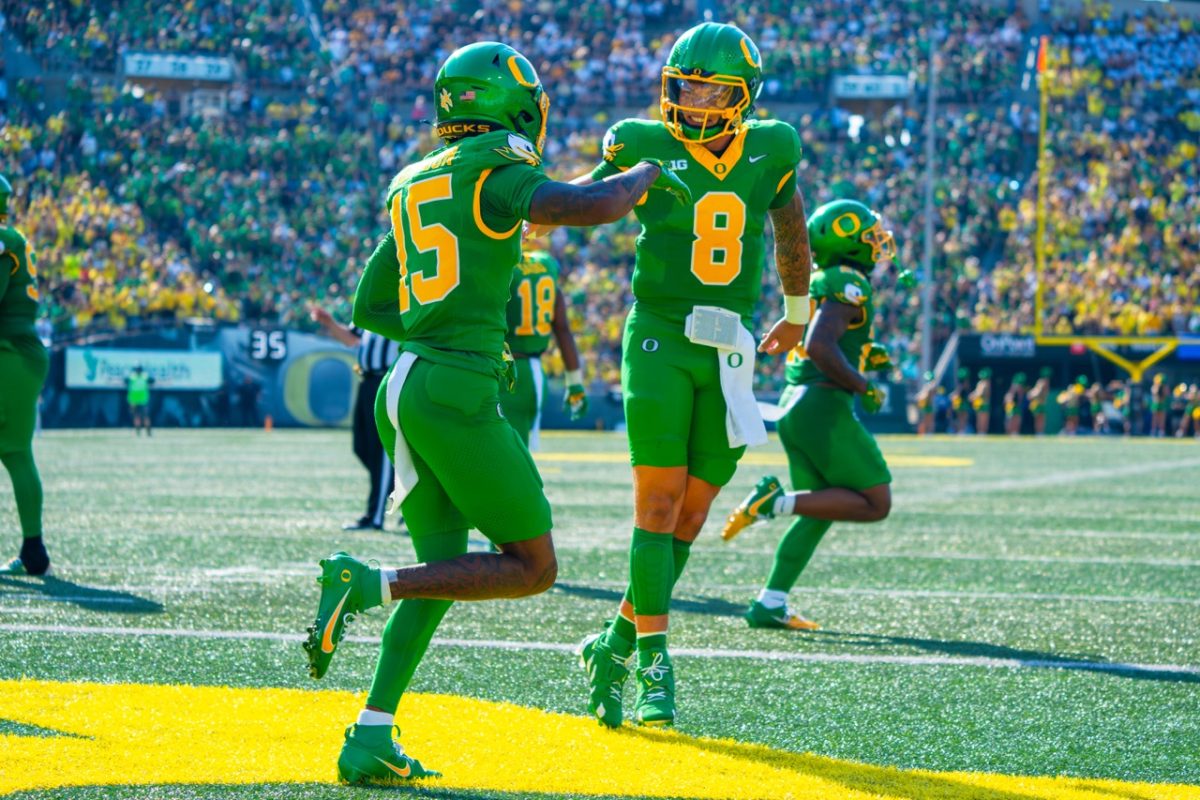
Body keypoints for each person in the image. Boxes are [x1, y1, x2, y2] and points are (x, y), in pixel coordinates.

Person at [301, 41, 691, 784]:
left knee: (445, 571)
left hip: (408, 387)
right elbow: (591, 206)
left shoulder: (413, 179)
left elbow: (368, 303)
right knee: (534, 567)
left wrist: (443, 319)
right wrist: (648, 169)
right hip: (459, 386)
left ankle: (370, 735)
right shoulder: (492, 166)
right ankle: (367, 583)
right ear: (510, 103)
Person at [546, 22, 813, 729]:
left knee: (692, 515)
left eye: (708, 87)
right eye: (683, 83)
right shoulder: (641, 140)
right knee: (658, 505)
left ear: (743, 96)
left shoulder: (773, 145)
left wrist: (795, 308)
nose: (691, 98)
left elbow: (789, 225)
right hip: (661, 334)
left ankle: (613, 643)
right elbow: (585, 201)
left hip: (730, 349)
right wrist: (527, 205)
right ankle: (656, 667)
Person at [719, 199, 896, 631]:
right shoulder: (848, 281)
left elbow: (829, 337)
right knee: (876, 502)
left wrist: (864, 354)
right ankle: (772, 503)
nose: (878, 243)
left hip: (797, 402)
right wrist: (863, 383)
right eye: (869, 235)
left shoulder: (822, 279)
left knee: (818, 509)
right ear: (847, 240)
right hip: (822, 405)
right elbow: (819, 345)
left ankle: (769, 601)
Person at [0, 175, 51, 576]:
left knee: (17, 452)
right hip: (25, 354)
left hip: (8, 354)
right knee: (16, 452)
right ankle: (34, 552)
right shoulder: (13, 236)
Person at [311, 306, 401, 530]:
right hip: (366, 380)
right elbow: (352, 340)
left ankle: (375, 517)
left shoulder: (402, 304)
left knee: (381, 453)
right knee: (361, 447)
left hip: (386, 380)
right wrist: (330, 323)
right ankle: (402, 492)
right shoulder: (372, 305)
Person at [500, 249, 587, 448]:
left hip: (505, 370)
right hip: (530, 372)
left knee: (509, 455)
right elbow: (562, 329)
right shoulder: (545, 263)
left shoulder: (497, 262)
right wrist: (575, 382)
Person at [125, 364, 154, 436]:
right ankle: (147, 432)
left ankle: (139, 433)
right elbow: (152, 381)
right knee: (143, 416)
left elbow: (125, 382)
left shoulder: (132, 377)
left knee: (138, 416)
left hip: (135, 400)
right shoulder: (144, 376)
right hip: (141, 400)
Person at [1027, 367, 1052, 435]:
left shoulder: (1046, 382)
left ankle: (1040, 432)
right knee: (1039, 419)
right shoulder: (1041, 381)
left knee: (1041, 419)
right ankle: (1038, 432)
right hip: (1037, 404)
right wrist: (1032, 395)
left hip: (1042, 404)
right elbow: (1037, 391)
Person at [970, 367, 992, 436]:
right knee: (980, 419)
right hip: (980, 404)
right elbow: (977, 392)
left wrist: (973, 396)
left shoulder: (986, 383)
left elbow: (980, 393)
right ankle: (980, 432)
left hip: (984, 404)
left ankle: (982, 432)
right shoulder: (981, 383)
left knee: (983, 419)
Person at [915, 371, 938, 435]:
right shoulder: (929, 385)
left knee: (929, 421)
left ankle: (928, 433)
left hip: (929, 405)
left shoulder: (931, 385)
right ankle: (923, 433)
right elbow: (922, 396)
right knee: (925, 421)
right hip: (926, 405)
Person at [1003, 372, 1026, 436]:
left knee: (1017, 419)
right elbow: (1008, 398)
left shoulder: (1021, 388)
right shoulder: (1013, 387)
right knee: (1010, 420)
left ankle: (1015, 432)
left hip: (1017, 406)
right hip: (1011, 406)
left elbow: (1020, 398)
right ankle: (1009, 433)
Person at [949, 367, 971, 433]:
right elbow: (956, 394)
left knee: (963, 418)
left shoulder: (961, 385)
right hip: (961, 403)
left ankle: (962, 430)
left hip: (963, 403)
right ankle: (960, 430)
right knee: (962, 418)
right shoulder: (961, 385)